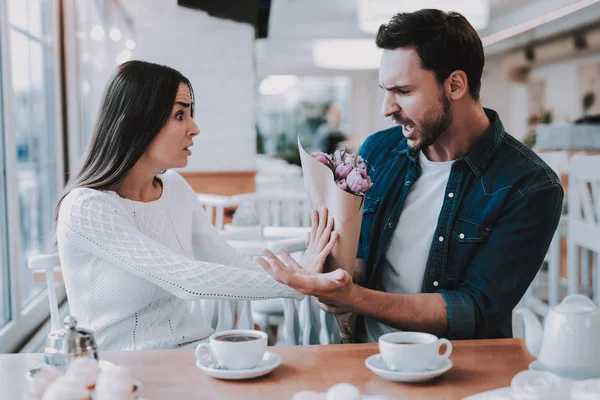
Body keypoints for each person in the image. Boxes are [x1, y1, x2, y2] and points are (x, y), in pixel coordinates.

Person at [259, 10, 563, 341]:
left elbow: (475, 310)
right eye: (385, 90)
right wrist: (332, 274)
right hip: (364, 355)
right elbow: (363, 260)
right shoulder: (378, 150)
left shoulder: (530, 186)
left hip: (453, 367)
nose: (386, 108)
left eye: (402, 91)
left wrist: (353, 297)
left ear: (455, 85)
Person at [55, 60, 337, 351]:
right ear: (137, 120)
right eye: (180, 115)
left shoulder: (175, 187)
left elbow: (229, 261)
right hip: (121, 370)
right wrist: (297, 283)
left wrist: (299, 273)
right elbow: (184, 279)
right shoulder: (86, 208)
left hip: (193, 350)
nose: (195, 128)